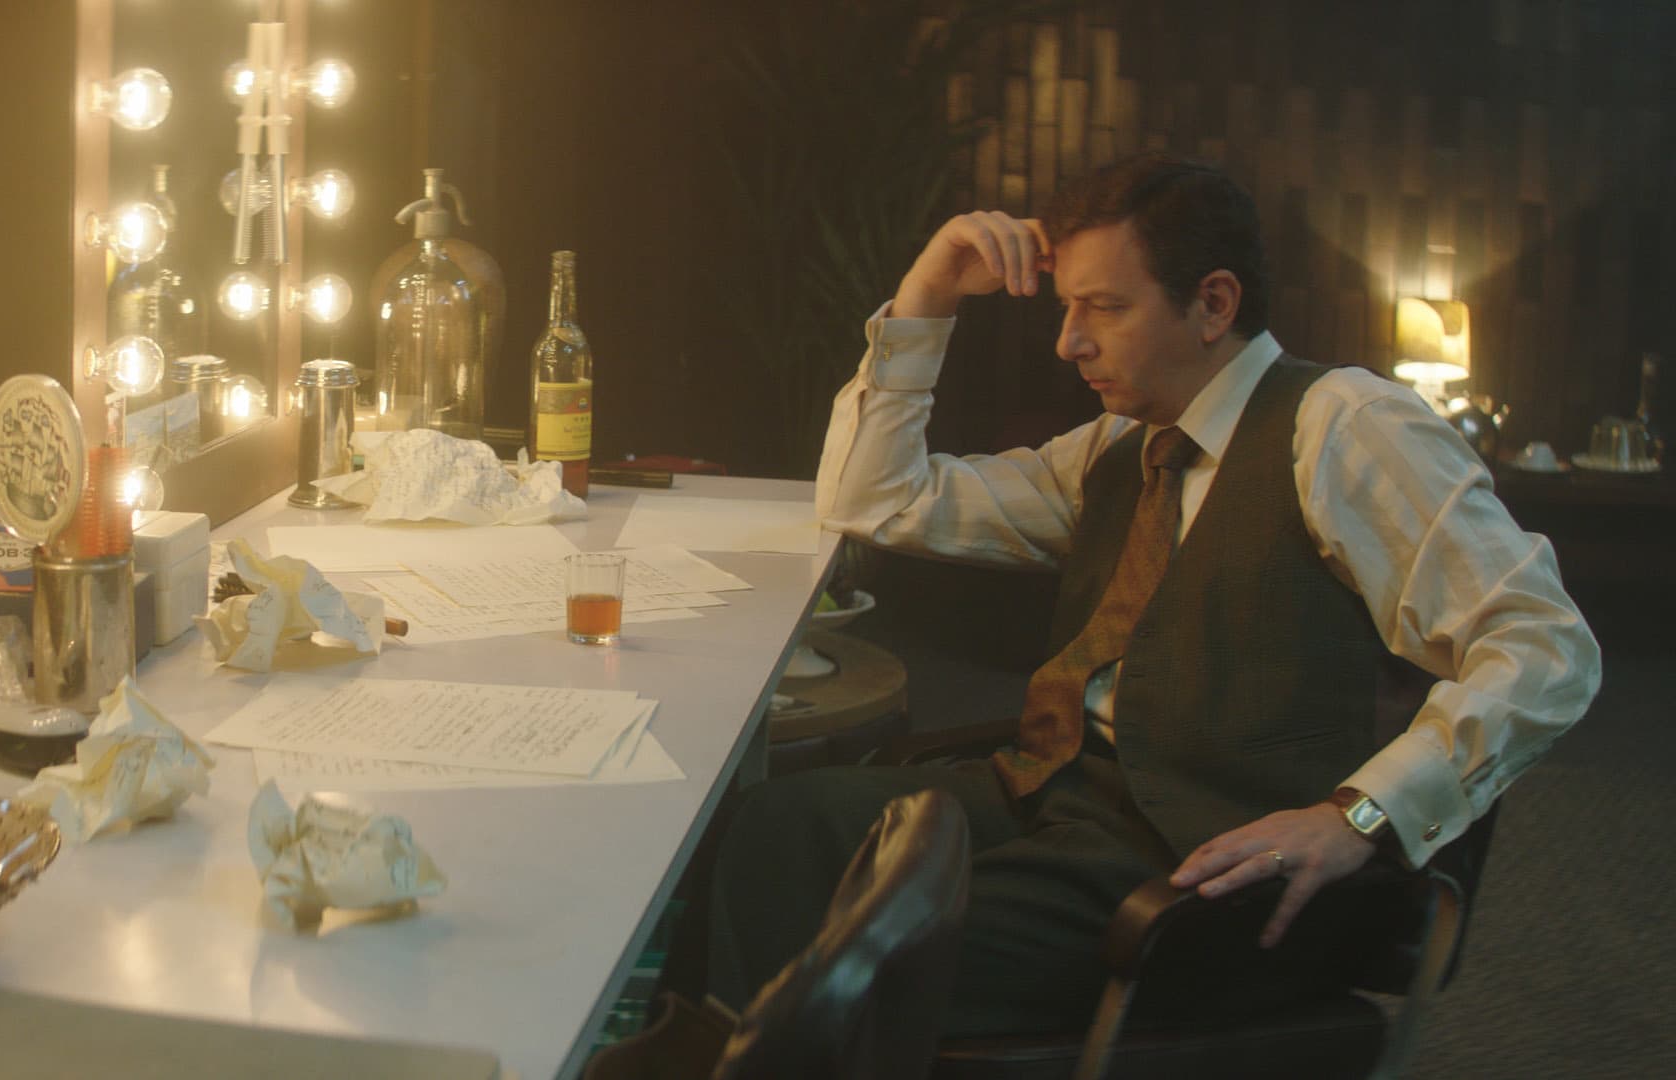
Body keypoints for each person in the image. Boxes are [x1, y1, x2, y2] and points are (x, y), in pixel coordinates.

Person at [676, 152, 1601, 1036]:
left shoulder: (1344, 425)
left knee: (864, 951)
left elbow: (1545, 647)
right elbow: (877, 502)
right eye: (1070, 304)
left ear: (1213, 304)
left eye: (1105, 308)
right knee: (773, 832)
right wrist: (927, 295)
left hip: (1201, 860)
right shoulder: (1122, 447)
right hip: (1059, 795)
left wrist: (1363, 815)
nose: (1069, 340)